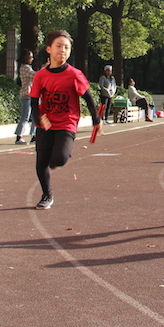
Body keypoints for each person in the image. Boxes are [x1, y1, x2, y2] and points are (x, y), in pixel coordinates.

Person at [28, 30, 101, 210]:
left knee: (59, 159)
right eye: (58, 46)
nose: (62, 50)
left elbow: (88, 97)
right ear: (49, 49)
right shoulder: (40, 76)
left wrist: (96, 120)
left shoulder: (74, 74)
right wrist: (39, 118)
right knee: (41, 162)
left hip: (67, 122)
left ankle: (56, 158)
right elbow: (33, 101)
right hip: (46, 123)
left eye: (66, 47)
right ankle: (47, 195)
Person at [14, 48, 36, 144]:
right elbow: (35, 75)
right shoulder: (25, 68)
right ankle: (19, 136)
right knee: (26, 116)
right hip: (27, 94)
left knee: (33, 116)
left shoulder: (26, 67)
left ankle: (33, 136)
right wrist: (44, 69)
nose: (32, 59)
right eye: (31, 57)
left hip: (29, 94)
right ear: (26, 58)